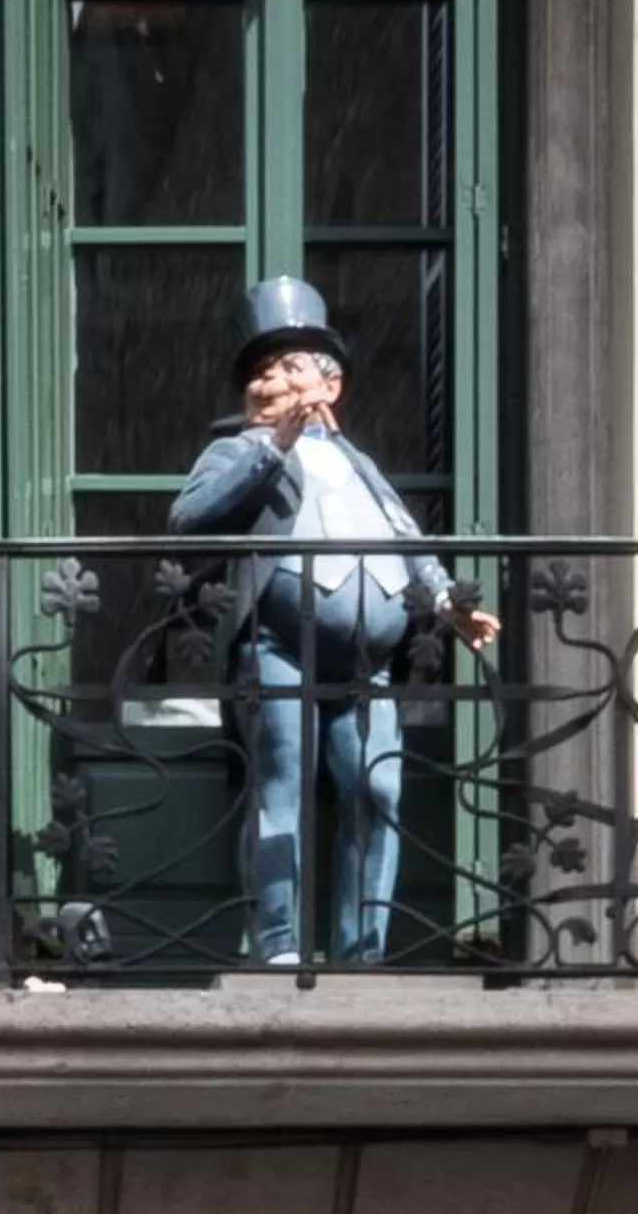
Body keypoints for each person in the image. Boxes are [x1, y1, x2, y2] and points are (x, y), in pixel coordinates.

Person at [168, 276, 499, 967]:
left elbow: (405, 540)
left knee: (376, 791)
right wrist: (271, 448)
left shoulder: (361, 464)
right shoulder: (239, 451)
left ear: (331, 385)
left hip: (368, 664)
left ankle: (362, 952)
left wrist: (447, 605)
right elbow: (190, 519)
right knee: (279, 788)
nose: (269, 384)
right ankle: (278, 943)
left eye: (287, 368)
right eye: (259, 374)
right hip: (280, 648)